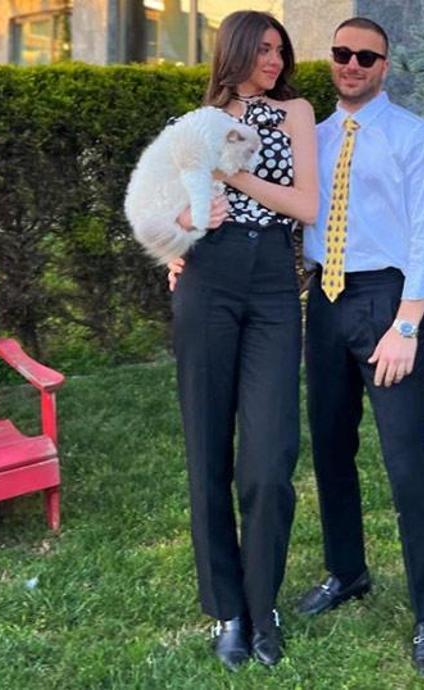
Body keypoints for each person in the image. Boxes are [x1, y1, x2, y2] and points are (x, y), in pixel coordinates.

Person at [295, 17, 424, 679]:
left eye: (366, 56)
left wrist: (406, 325)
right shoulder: (313, 138)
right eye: (343, 53)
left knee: (407, 461)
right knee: (331, 448)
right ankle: (347, 571)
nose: (352, 64)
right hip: (326, 302)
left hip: (387, 302)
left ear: (385, 65)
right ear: (332, 59)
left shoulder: (414, 138)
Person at [166, 10, 317, 672]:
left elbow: (305, 206)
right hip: (210, 277)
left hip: (274, 282)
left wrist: (234, 178)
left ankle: (264, 605)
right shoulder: (196, 124)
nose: (274, 60)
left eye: (280, 49)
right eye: (262, 49)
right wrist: (179, 233)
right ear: (234, 52)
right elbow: (167, 209)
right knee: (207, 450)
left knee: (269, 457)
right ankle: (229, 609)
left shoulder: (296, 113)